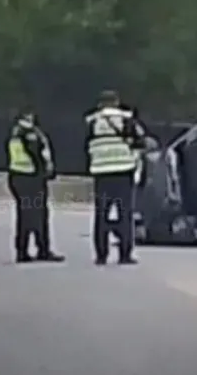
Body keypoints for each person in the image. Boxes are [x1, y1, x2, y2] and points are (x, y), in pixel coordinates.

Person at [85, 90, 145, 265]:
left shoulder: (92, 122)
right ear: (117, 102)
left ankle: (101, 254)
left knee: (101, 215)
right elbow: (140, 141)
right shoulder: (127, 120)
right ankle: (125, 254)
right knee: (124, 214)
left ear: (100, 104)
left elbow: (86, 144)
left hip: (101, 172)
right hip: (123, 170)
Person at [7, 110, 64, 263]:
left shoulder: (16, 132)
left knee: (28, 214)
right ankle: (37, 250)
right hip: (30, 177)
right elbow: (36, 153)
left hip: (20, 176)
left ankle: (26, 249)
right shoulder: (28, 133)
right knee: (34, 215)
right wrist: (44, 169)